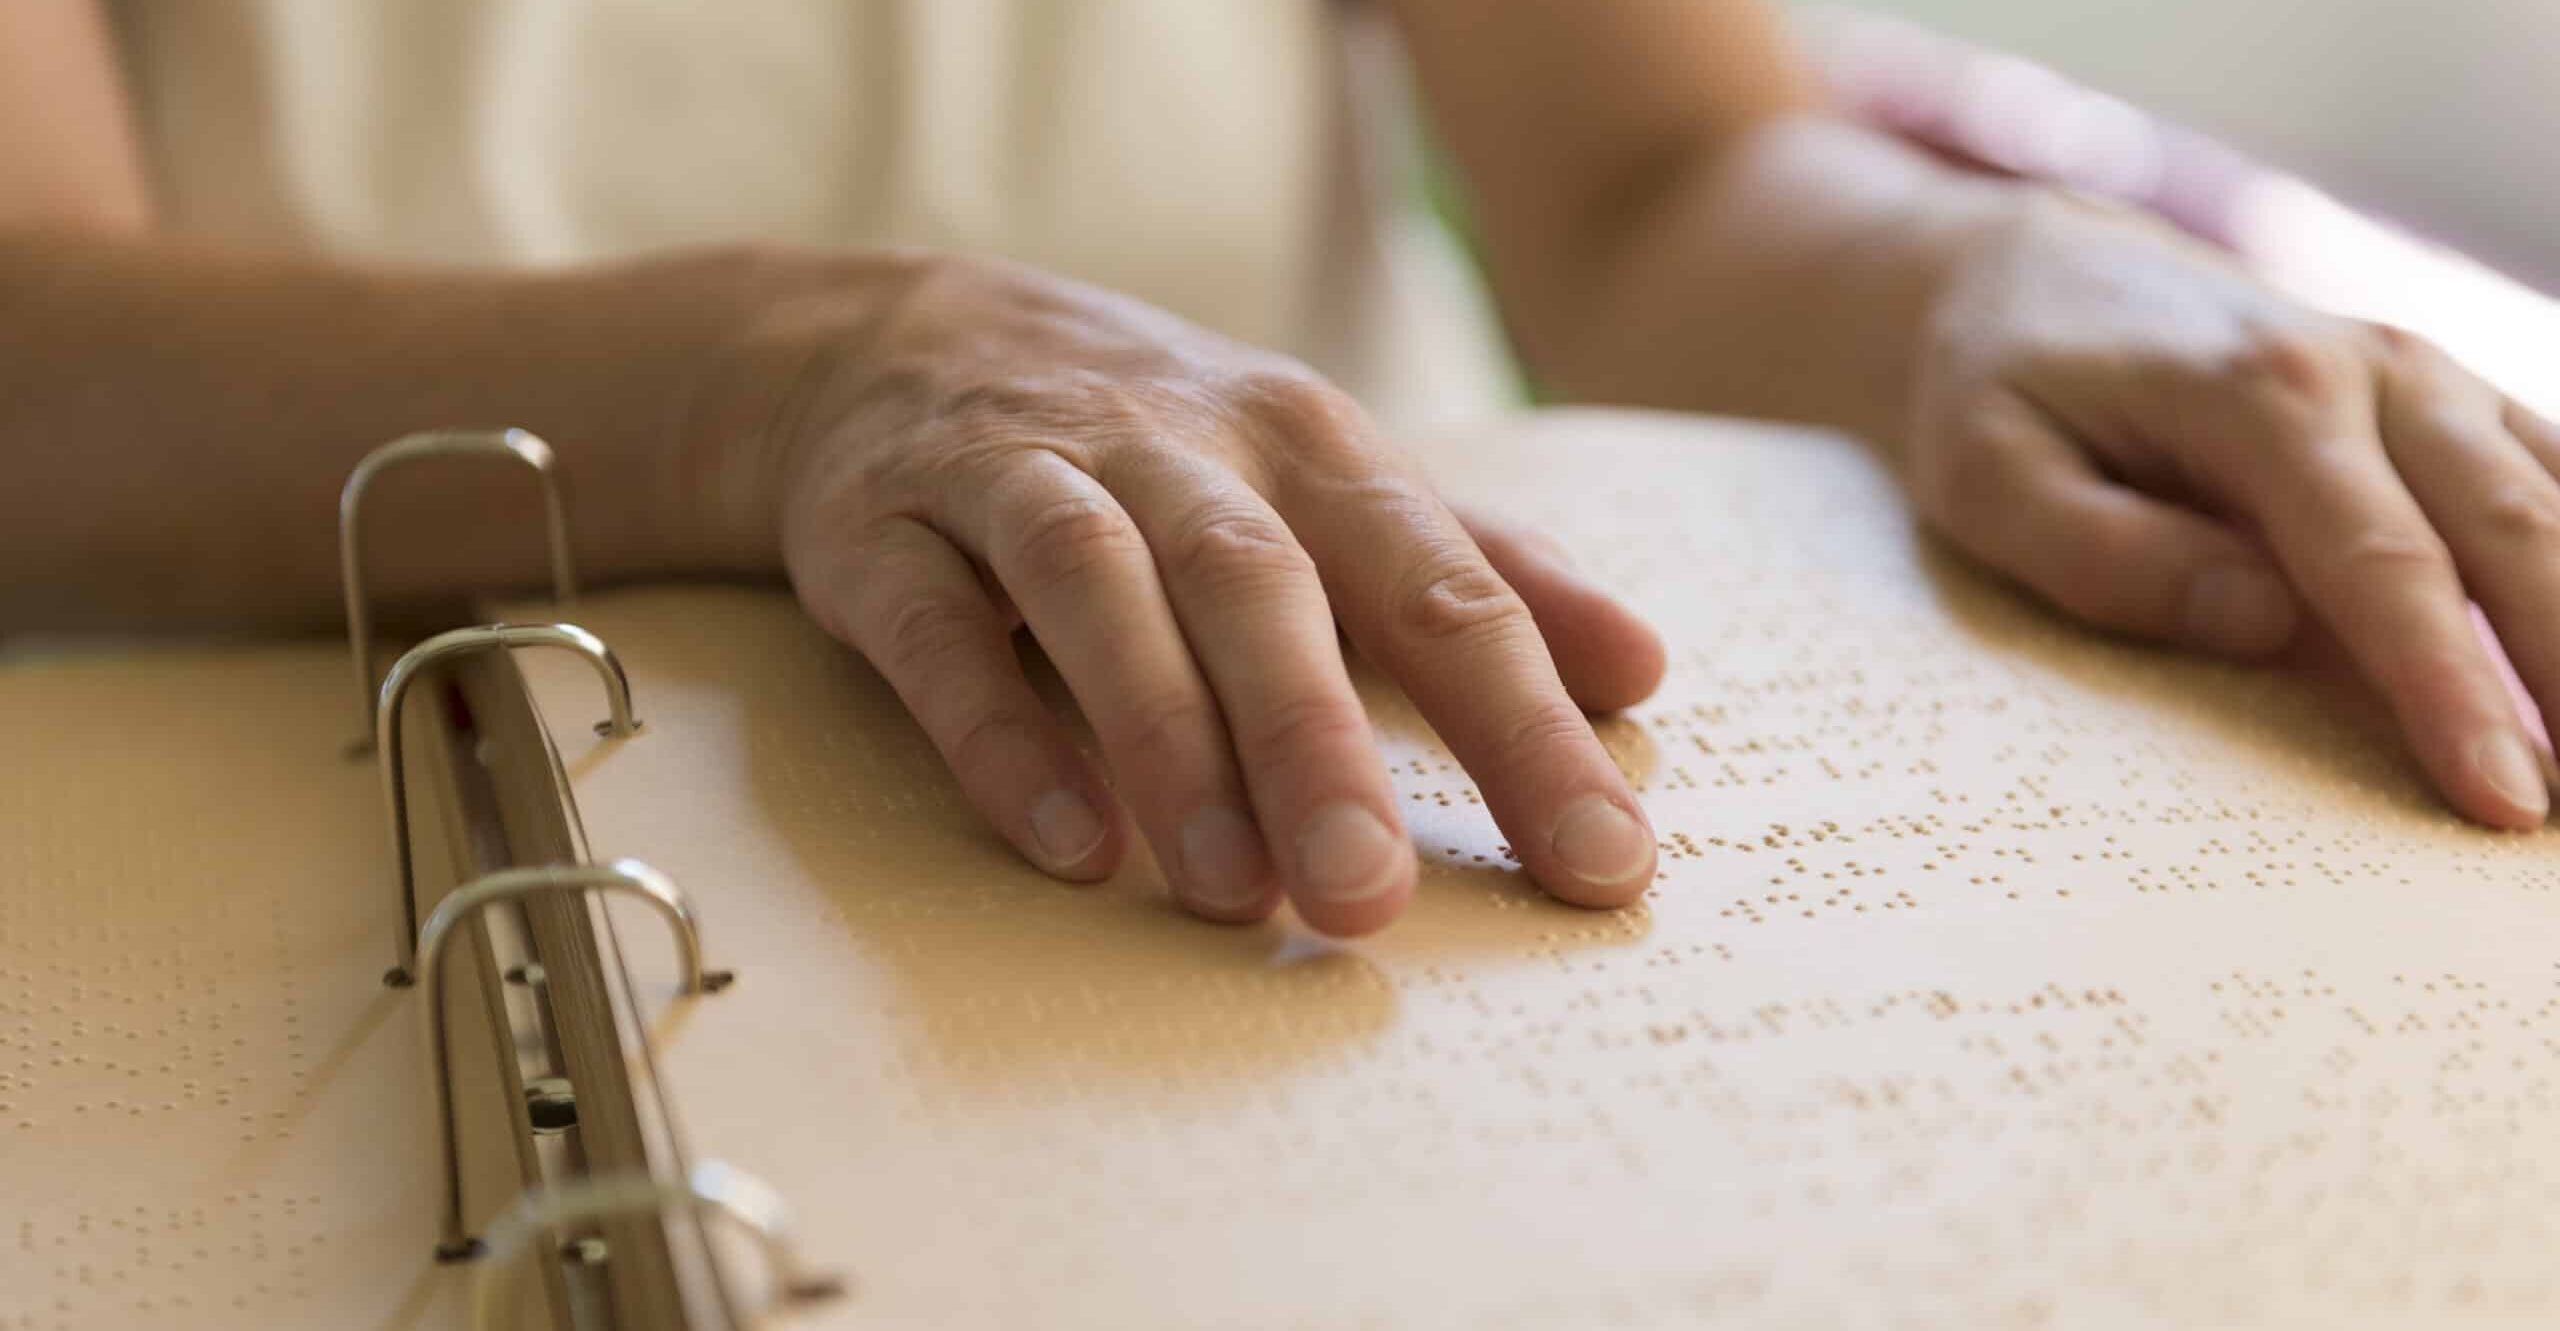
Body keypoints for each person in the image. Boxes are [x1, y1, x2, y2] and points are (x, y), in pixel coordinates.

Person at [4, 2, 2553, 942]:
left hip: (1369, 796)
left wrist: (1976, 273)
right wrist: (797, 369)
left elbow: (1650, 187)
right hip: (317, 834)